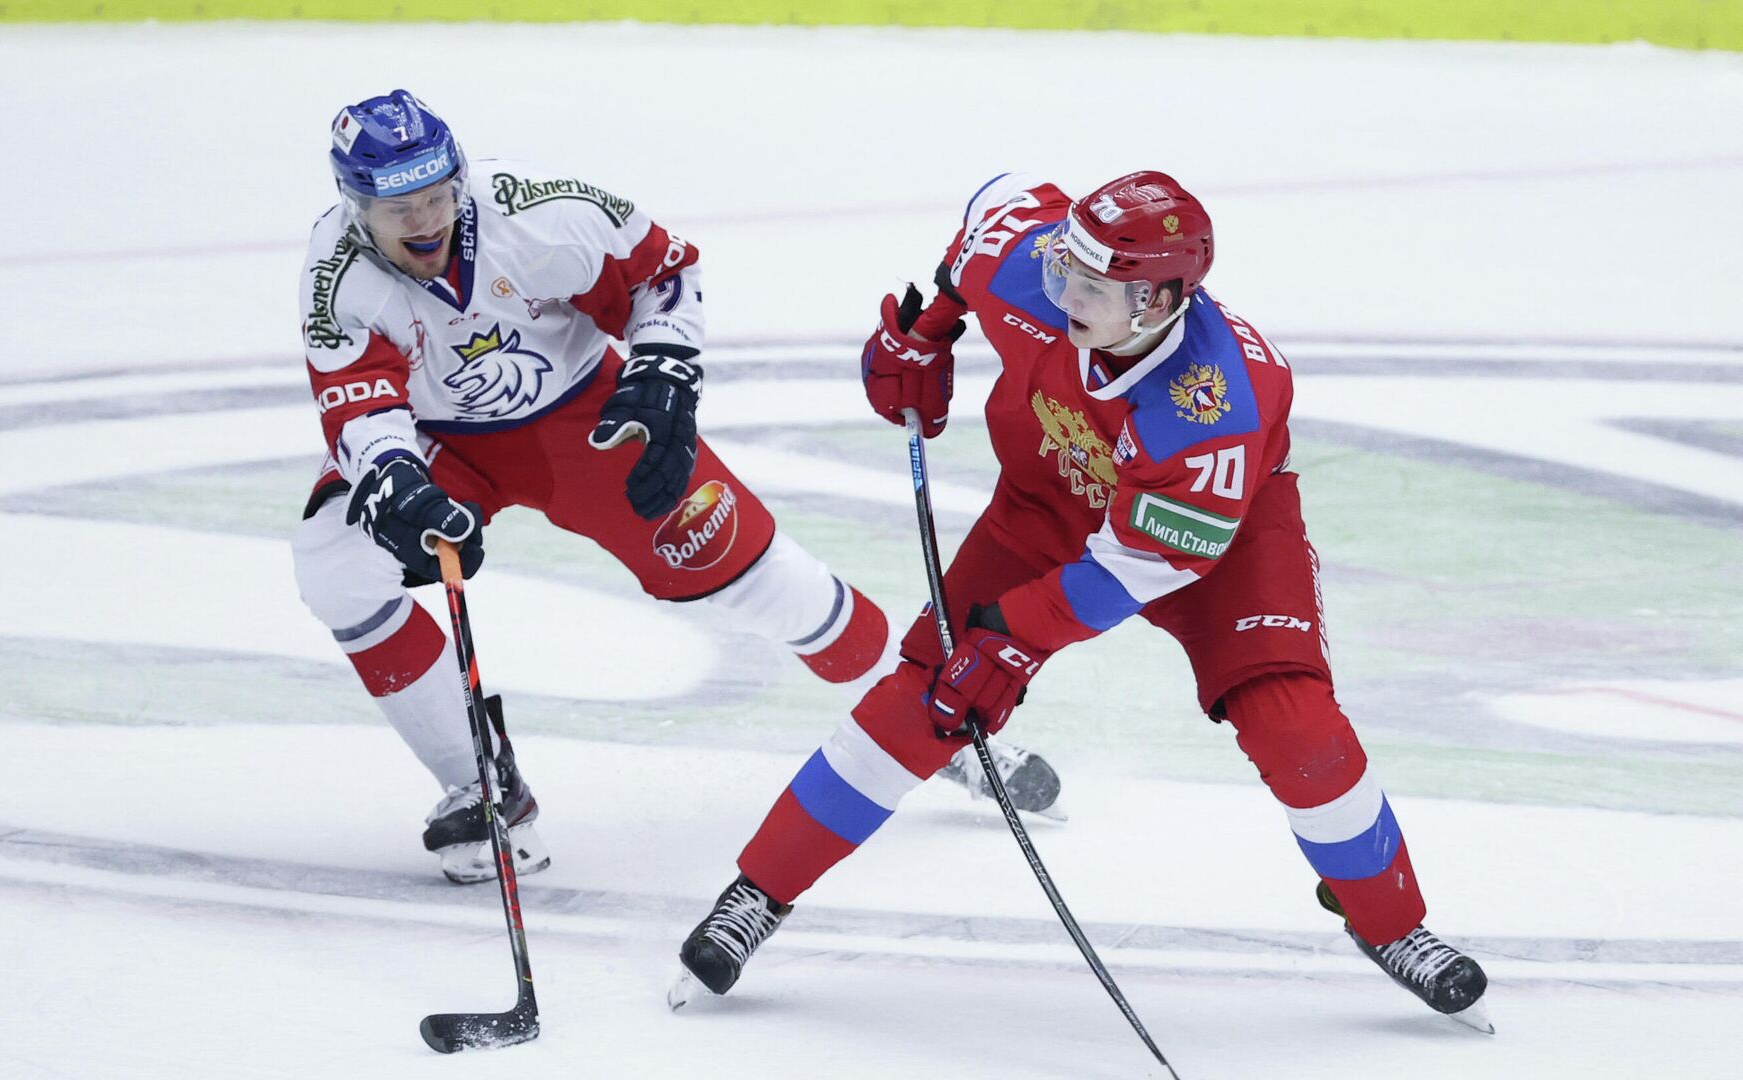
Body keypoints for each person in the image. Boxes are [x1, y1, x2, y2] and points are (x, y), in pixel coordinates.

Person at [672, 171, 1492, 1031]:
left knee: (1294, 723)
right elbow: (992, 213)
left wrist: (1013, 639)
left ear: (1163, 298)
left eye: (1092, 288)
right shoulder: (1034, 267)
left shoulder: (1212, 408)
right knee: (931, 691)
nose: (1063, 293)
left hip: (1222, 550)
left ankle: (1393, 923)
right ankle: (758, 893)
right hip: (1045, 508)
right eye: (1064, 268)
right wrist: (928, 331)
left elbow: (1134, 568)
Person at [289, 91, 1062, 886]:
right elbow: (359, 401)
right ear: (355, 208)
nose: (426, 221)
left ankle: (939, 726)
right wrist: (395, 481)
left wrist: (662, 368)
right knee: (332, 561)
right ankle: (483, 787)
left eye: (437, 195)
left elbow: (665, 271)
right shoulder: (335, 274)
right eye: (399, 208)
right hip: (439, 440)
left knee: (775, 587)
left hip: (589, 418)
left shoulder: (539, 213)